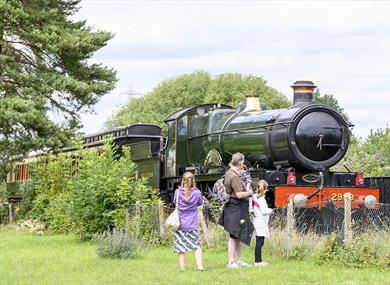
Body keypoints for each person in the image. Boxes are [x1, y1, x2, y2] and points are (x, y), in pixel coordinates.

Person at [218, 153, 254, 269]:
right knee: (233, 235)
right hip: (235, 208)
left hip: (236, 208)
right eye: (243, 162)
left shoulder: (230, 173)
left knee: (237, 235)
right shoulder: (233, 176)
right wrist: (249, 193)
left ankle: (238, 260)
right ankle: (231, 262)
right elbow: (239, 195)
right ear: (240, 163)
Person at [173, 171, 205, 272]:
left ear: (183, 180)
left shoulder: (177, 192)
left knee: (180, 248)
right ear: (193, 181)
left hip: (180, 224)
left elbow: (175, 202)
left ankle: (182, 269)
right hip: (192, 224)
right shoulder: (197, 193)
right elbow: (200, 203)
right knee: (197, 246)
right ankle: (200, 267)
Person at [252, 179, 273, 267]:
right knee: (260, 243)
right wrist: (271, 210)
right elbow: (264, 211)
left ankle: (259, 261)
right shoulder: (261, 200)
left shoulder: (255, 198)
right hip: (260, 223)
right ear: (265, 189)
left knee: (260, 242)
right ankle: (258, 262)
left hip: (258, 222)